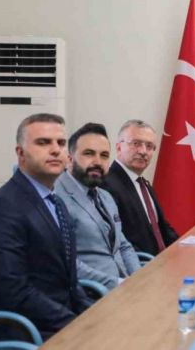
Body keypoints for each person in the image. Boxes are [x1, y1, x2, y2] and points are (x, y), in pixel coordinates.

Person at [0, 113, 92, 340]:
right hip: (27, 329)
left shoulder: (56, 202)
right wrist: (75, 324)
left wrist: (93, 314)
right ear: (20, 153)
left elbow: (70, 282)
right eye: (43, 142)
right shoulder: (2, 208)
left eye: (61, 143)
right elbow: (15, 291)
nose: (55, 150)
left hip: (59, 318)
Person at [55, 123, 141, 291]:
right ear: (69, 159)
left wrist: (139, 279)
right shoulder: (55, 196)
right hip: (92, 292)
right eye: (88, 153)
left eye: (104, 155)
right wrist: (117, 283)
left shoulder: (105, 196)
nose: (97, 162)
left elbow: (123, 246)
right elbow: (66, 262)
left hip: (124, 287)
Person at [101, 120, 178, 256]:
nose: (143, 151)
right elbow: (117, 239)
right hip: (140, 264)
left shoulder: (143, 184)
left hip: (163, 260)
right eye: (136, 144)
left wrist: (187, 247)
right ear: (119, 147)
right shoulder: (107, 185)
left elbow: (162, 229)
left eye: (149, 146)